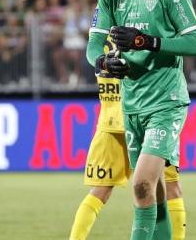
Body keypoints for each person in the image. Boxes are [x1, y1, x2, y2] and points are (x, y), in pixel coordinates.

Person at [86, 0, 196, 240]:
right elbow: (94, 43)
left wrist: (147, 42)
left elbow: (195, 44)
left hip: (166, 102)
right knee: (156, 191)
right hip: (132, 104)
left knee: (141, 186)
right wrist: (102, 62)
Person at [69, 36, 188, 240]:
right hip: (149, 114)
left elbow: (94, 58)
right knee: (170, 187)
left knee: (101, 190)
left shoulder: (100, 37)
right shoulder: (142, 29)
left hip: (111, 119)